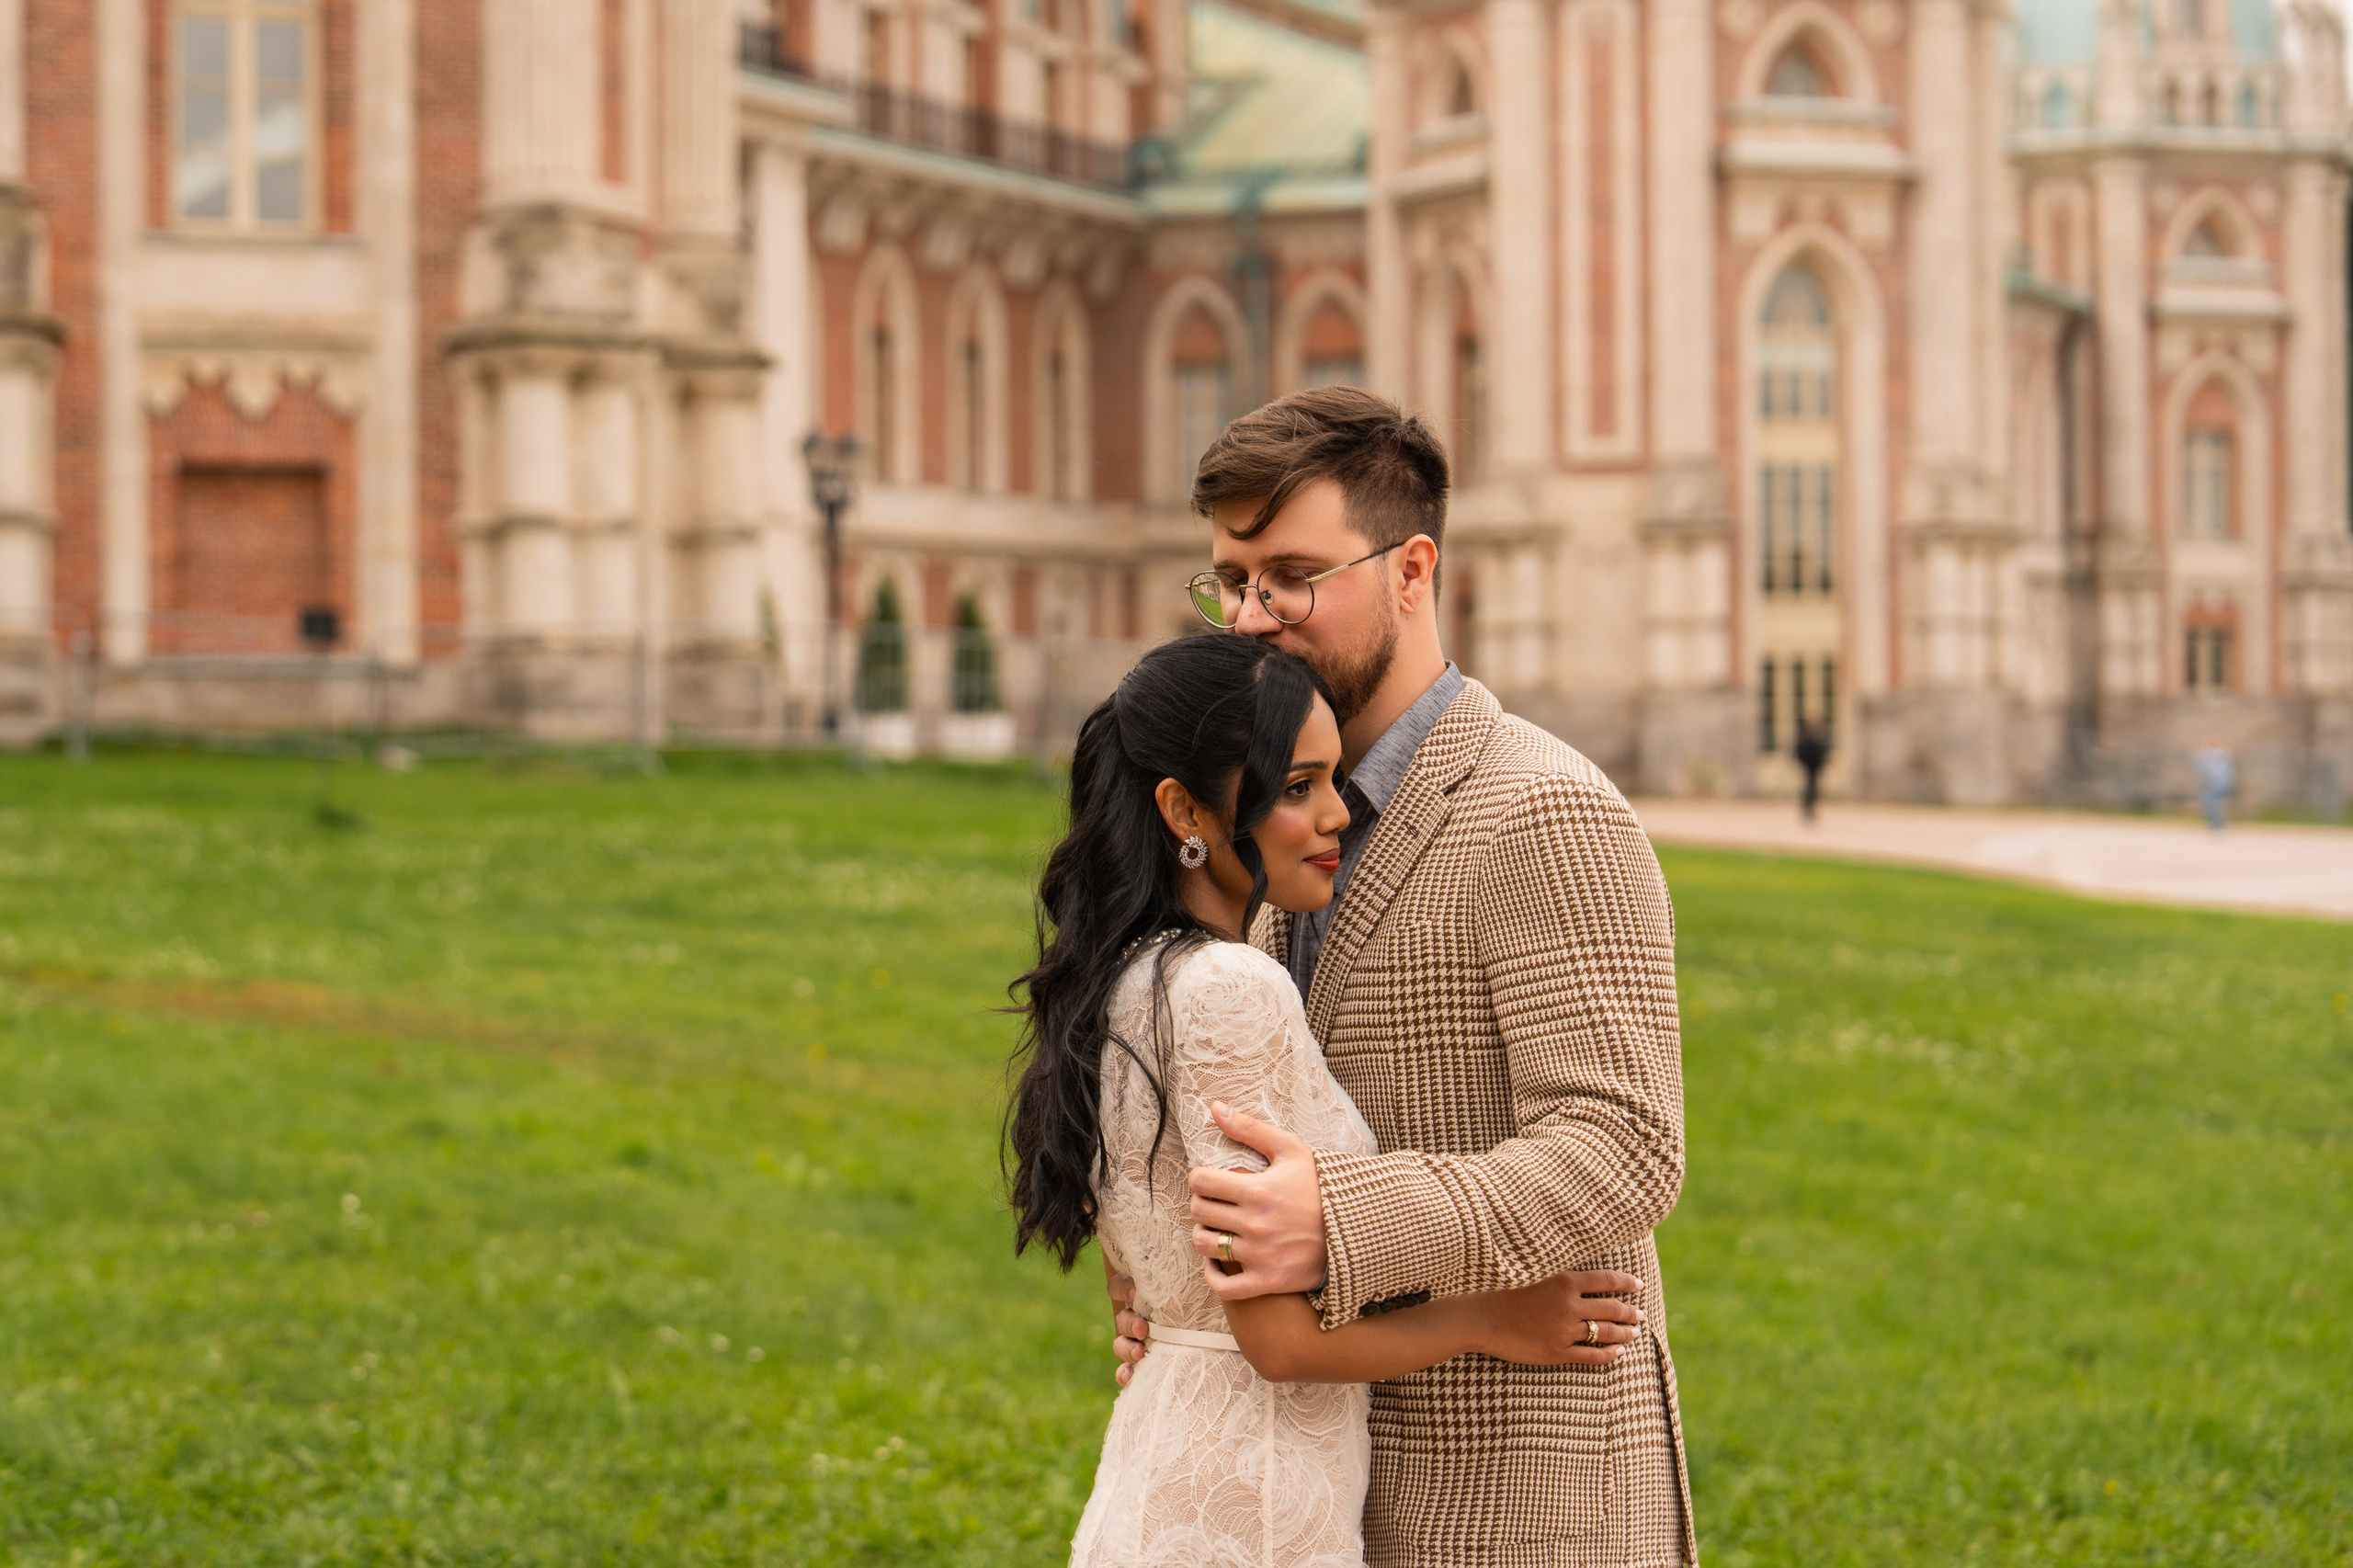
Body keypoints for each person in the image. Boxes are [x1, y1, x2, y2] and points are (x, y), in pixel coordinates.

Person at [1107, 387, 1694, 1567]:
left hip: (1522, 1493)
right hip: (1314, 1493)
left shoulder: (1547, 810)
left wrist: (1335, 1220)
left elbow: (1624, 1146)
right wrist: (1179, 1298)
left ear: (1413, 568)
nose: (1253, 616)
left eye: (1291, 574)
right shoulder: (1260, 835)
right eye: (1231, 580)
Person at [1006, 634, 1650, 1567]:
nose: (1336, 811)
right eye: (1296, 785)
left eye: (1334, 779)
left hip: (1172, 1465)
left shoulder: (1129, 974)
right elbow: (1278, 1340)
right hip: (1252, 1505)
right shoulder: (1231, 986)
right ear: (1185, 808)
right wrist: (1490, 1317)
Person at [2193, 738, 2235, 832]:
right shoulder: (2215, 756)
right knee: (2211, 802)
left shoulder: (2217, 754)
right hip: (2218, 782)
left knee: (2211, 802)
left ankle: (2218, 825)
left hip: (2219, 782)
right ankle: (2216, 824)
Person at [1793, 717, 1829, 821]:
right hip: (1808, 767)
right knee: (1809, 787)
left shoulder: (1815, 740)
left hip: (1814, 767)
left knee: (1813, 788)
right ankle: (1807, 807)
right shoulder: (1806, 740)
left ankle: (1810, 807)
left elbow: (1821, 753)